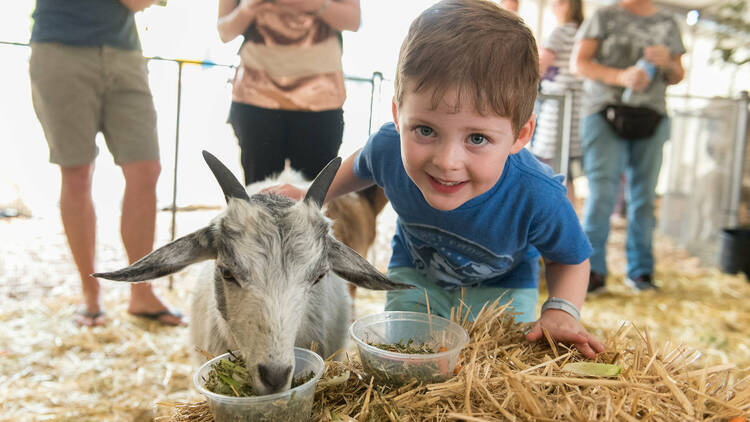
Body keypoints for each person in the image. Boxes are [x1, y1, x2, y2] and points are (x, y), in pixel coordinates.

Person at [268, 0, 604, 358]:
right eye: (425, 130)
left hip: (502, 291)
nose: (446, 161)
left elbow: (570, 258)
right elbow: (360, 167)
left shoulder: (537, 194)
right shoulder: (387, 146)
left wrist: (561, 310)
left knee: (496, 369)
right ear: (398, 115)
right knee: (407, 362)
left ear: (521, 136)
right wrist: (311, 196)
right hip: (416, 276)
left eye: (477, 138)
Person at [29, 0, 184, 327]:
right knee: (76, 173)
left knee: (146, 169)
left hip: (124, 51)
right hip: (60, 48)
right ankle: (91, 293)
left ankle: (141, 291)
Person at [572, 0, 685, 294]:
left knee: (644, 197)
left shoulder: (669, 22)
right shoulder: (604, 15)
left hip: (652, 116)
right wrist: (620, 76)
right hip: (605, 111)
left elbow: (678, 75)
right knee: (602, 193)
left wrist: (668, 63)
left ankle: (641, 272)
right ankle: (591, 271)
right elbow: (579, 63)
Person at [217, 0, 361, 185]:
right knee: (260, 197)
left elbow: (353, 20)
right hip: (256, 97)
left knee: (312, 199)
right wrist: (249, 7)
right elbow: (224, 32)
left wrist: (314, 4)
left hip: (321, 100)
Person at [528, 0, 584, 206]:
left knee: (550, 168)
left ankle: (555, 215)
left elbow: (539, 66)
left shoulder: (560, 33)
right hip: (577, 107)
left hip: (557, 110)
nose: (553, 6)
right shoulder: (582, 32)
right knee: (565, 170)